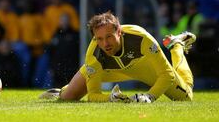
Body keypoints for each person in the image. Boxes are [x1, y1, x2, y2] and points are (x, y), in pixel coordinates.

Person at [40, 11, 196, 103]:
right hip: (110, 71)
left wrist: (149, 96)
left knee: (186, 96)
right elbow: (93, 95)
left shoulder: (141, 38)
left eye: (109, 37)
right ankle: (59, 91)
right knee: (68, 97)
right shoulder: (93, 54)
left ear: (119, 32)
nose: (105, 43)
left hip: (147, 70)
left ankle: (177, 45)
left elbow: (166, 74)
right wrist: (111, 98)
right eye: (99, 39)